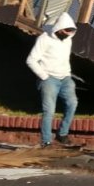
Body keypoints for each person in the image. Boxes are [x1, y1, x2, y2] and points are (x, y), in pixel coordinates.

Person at [26, 12, 79, 147]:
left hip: (65, 78)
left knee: (72, 103)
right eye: (67, 31)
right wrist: (44, 76)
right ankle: (46, 141)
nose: (69, 33)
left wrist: (67, 73)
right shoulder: (44, 39)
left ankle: (62, 134)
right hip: (49, 79)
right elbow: (31, 60)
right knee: (49, 110)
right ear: (60, 28)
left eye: (72, 31)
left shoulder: (69, 40)